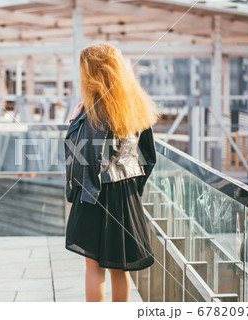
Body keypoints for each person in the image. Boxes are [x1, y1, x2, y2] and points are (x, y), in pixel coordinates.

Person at [64, 43, 160, 302]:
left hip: (94, 193)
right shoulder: (136, 106)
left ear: (92, 74)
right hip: (124, 192)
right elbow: (149, 157)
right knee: (121, 267)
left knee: (94, 266)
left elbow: (78, 154)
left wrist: (73, 122)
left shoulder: (91, 112)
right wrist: (132, 190)